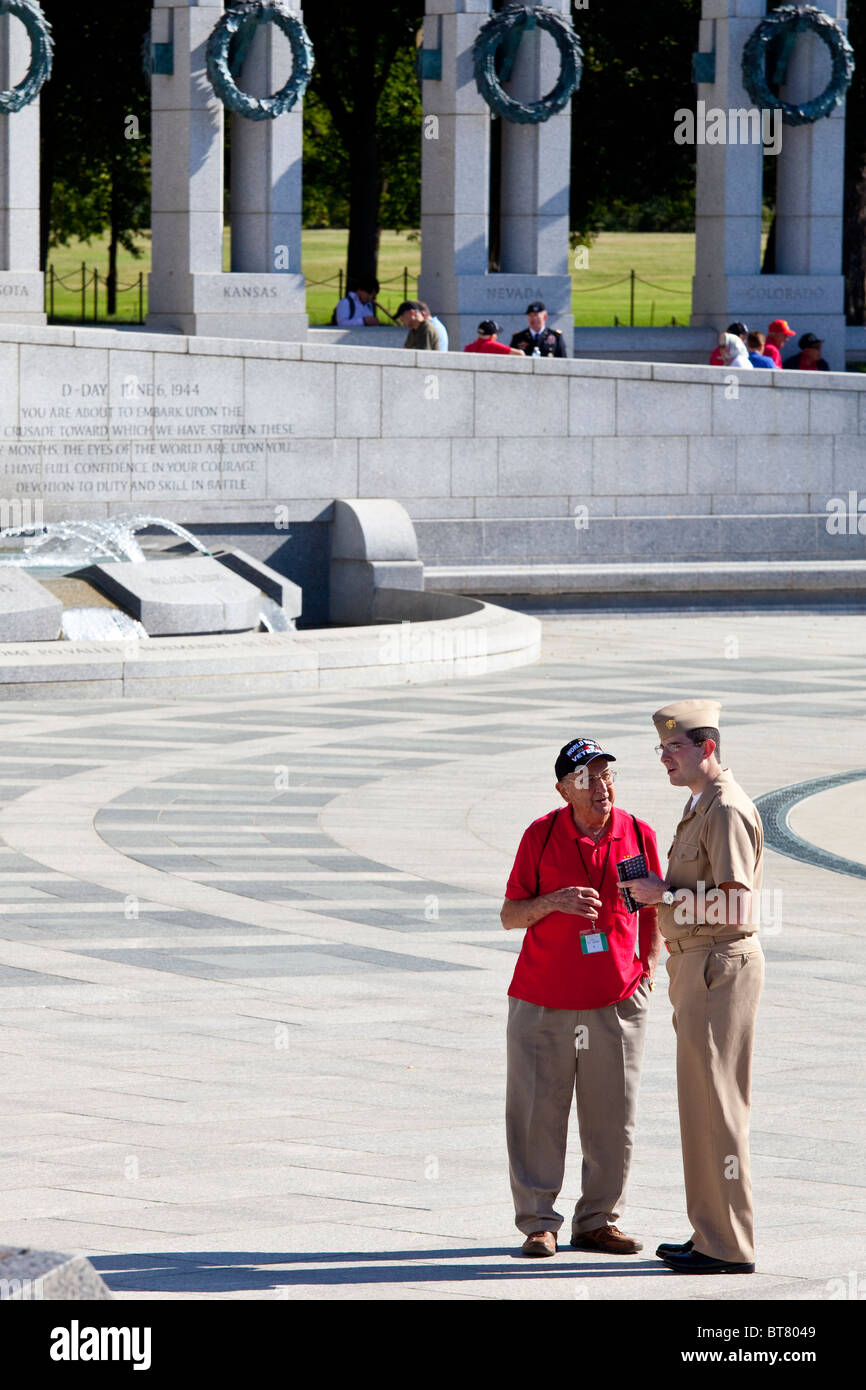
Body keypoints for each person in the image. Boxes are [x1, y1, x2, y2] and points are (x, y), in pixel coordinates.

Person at [502, 738, 664, 1258]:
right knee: (536, 1115)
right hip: (542, 998)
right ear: (563, 790)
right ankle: (539, 1224)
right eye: (588, 780)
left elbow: (653, 910)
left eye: (607, 775)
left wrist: (648, 972)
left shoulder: (637, 835)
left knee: (613, 1117)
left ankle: (598, 1220)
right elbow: (510, 915)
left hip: (616, 999)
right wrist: (554, 902)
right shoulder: (540, 835)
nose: (602, 787)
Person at [622, 700, 764, 1275]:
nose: (664, 759)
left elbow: (738, 901)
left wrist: (663, 896)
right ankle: (710, 1231)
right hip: (697, 965)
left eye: (674, 749)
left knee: (718, 1105)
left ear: (708, 748)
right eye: (660, 750)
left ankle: (729, 1245)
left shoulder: (725, 808)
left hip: (717, 964)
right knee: (701, 1103)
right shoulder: (700, 803)